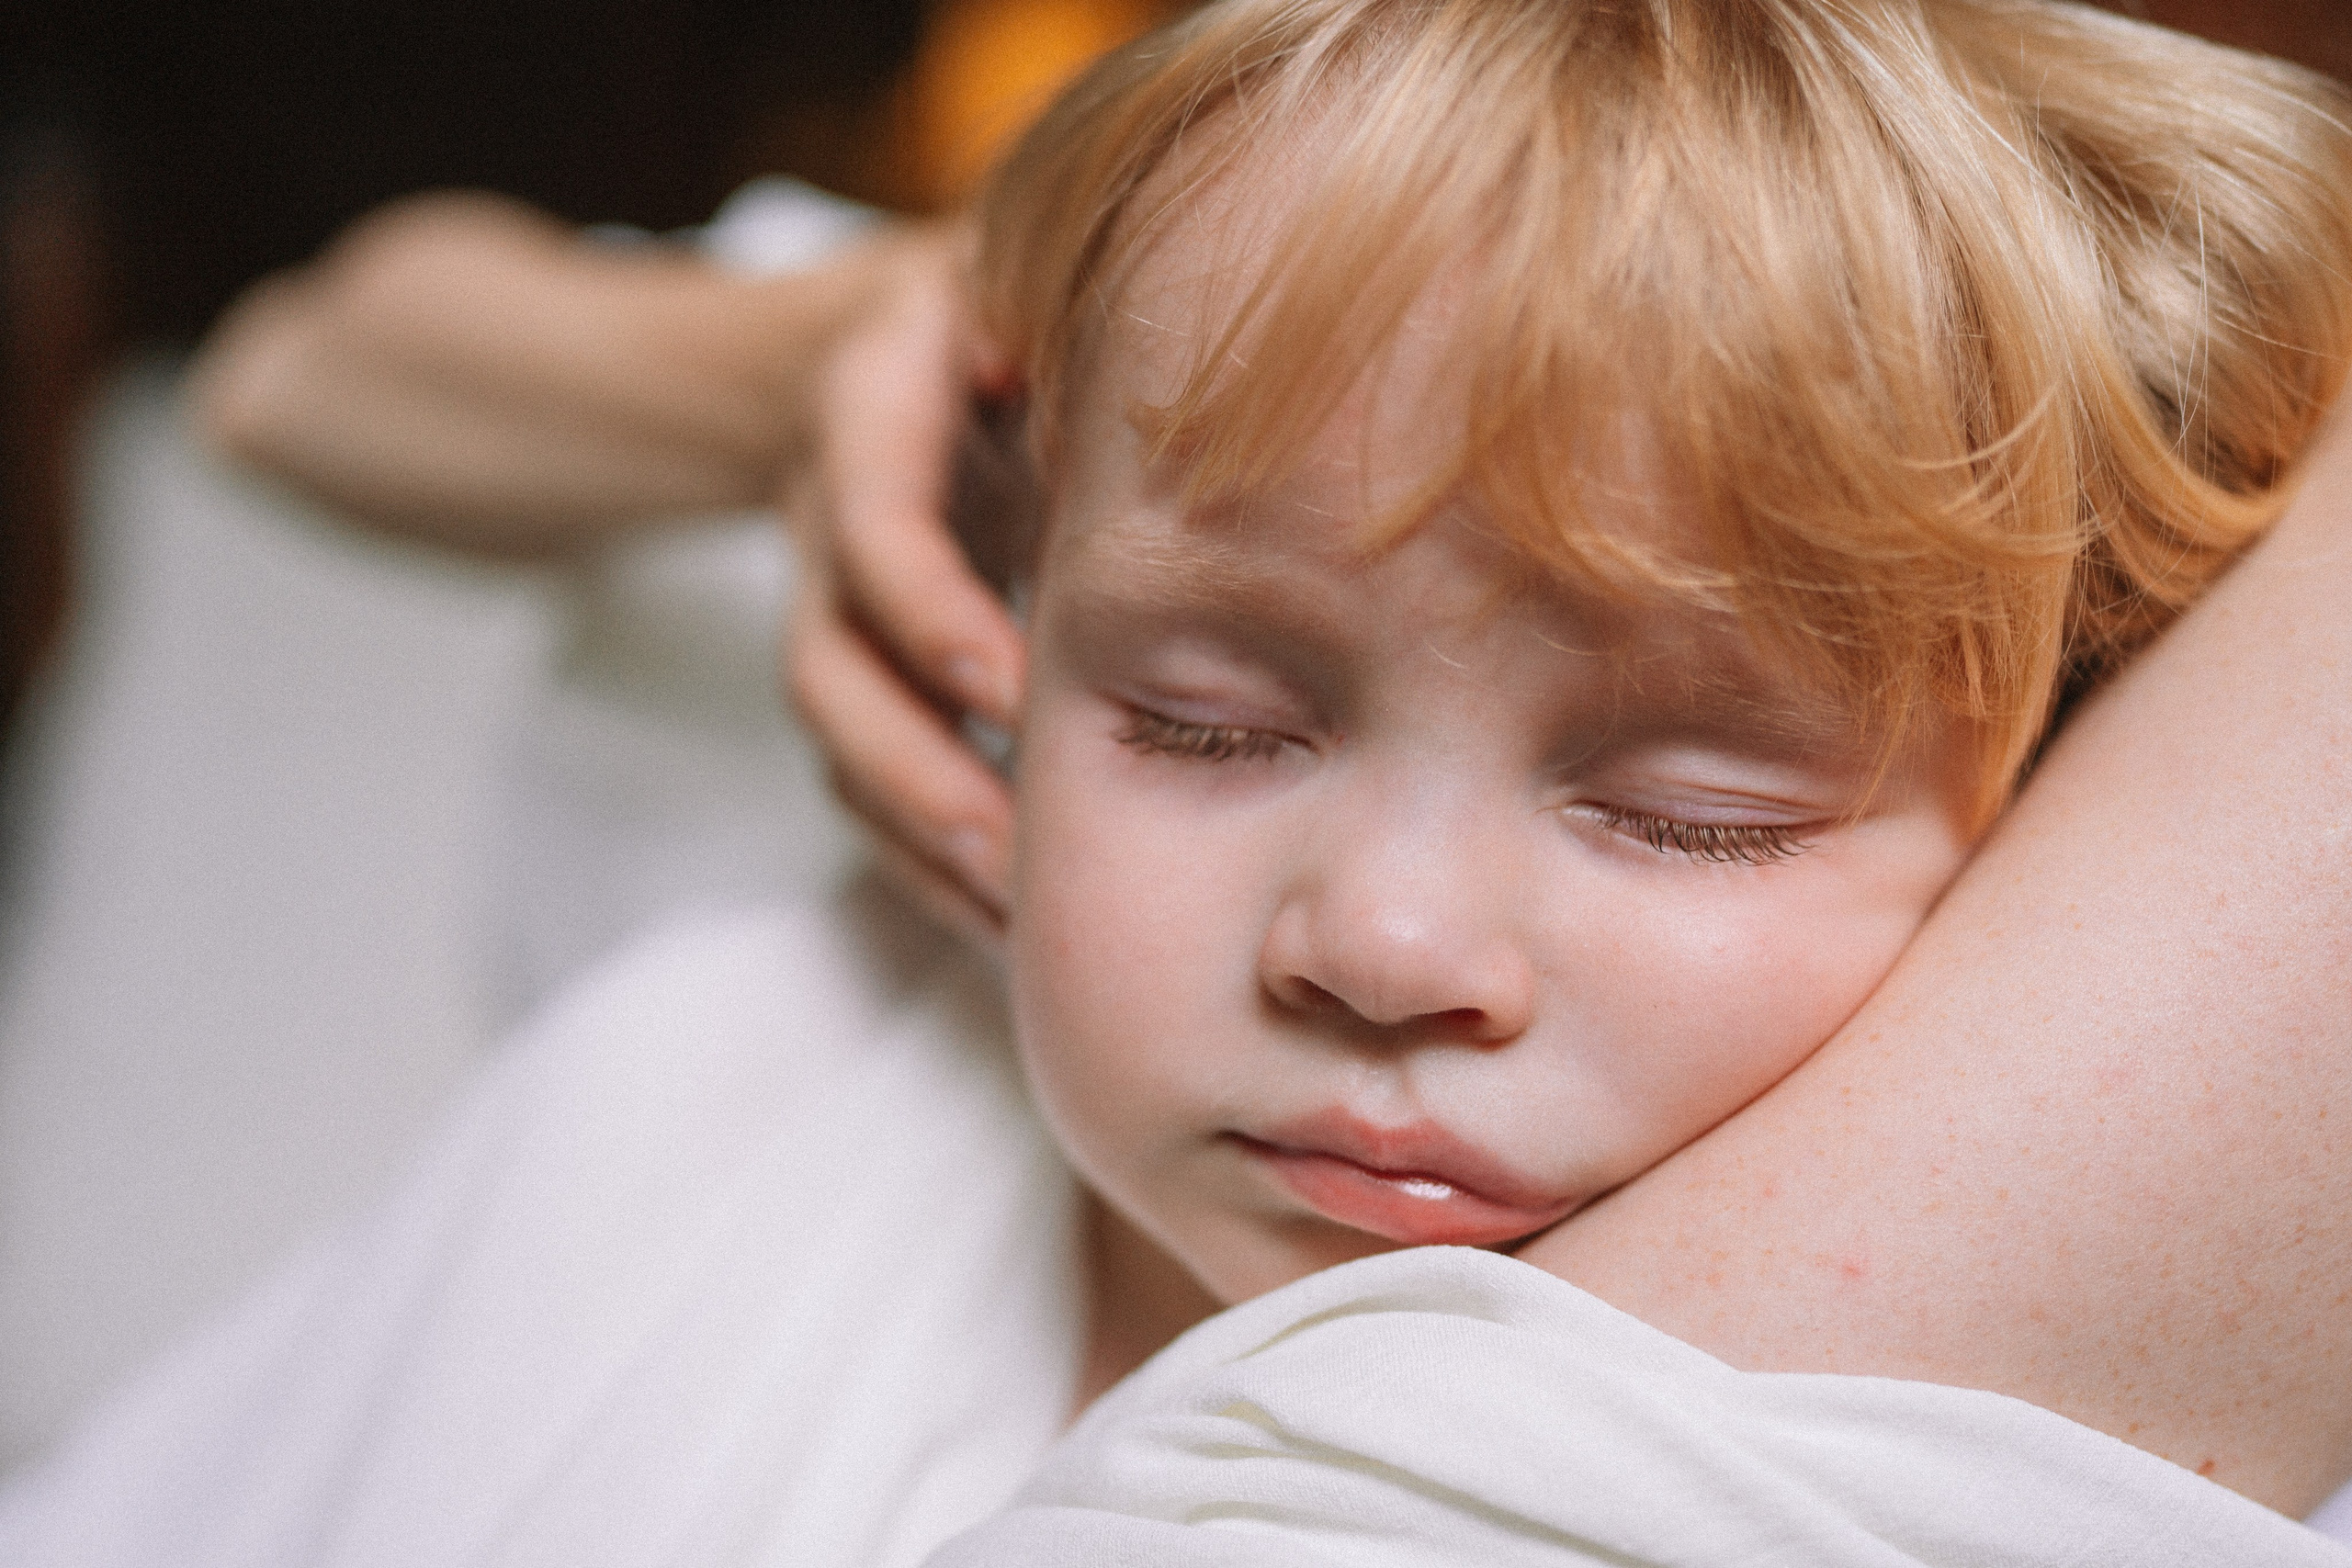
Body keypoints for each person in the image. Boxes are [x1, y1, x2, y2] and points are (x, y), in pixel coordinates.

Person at [6, 0, 2349, 1560]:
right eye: (1205, 720)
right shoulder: (725, 1059)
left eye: (1689, 807)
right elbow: (310, 373)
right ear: (1005, 602)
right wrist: (858, 350)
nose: (1384, 944)